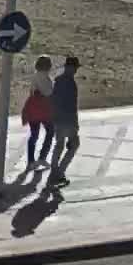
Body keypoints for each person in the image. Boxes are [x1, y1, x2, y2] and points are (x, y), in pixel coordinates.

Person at [48, 56, 81, 187]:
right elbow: (72, 106)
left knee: (59, 145)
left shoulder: (58, 81)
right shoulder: (71, 84)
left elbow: (53, 101)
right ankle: (60, 172)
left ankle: (54, 171)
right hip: (68, 120)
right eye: (75, 68)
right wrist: (75, 125)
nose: (76, 71)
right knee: (74, 145)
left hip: (57, 119)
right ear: (71, 68)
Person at [22, 55, 55, 171]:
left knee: (34, 134)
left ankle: (31, 161)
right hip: (44, 111)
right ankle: (42, 157)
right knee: (50, 132)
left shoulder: (35, 76)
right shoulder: (45, 78)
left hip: (33, 110)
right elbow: (49, 93)